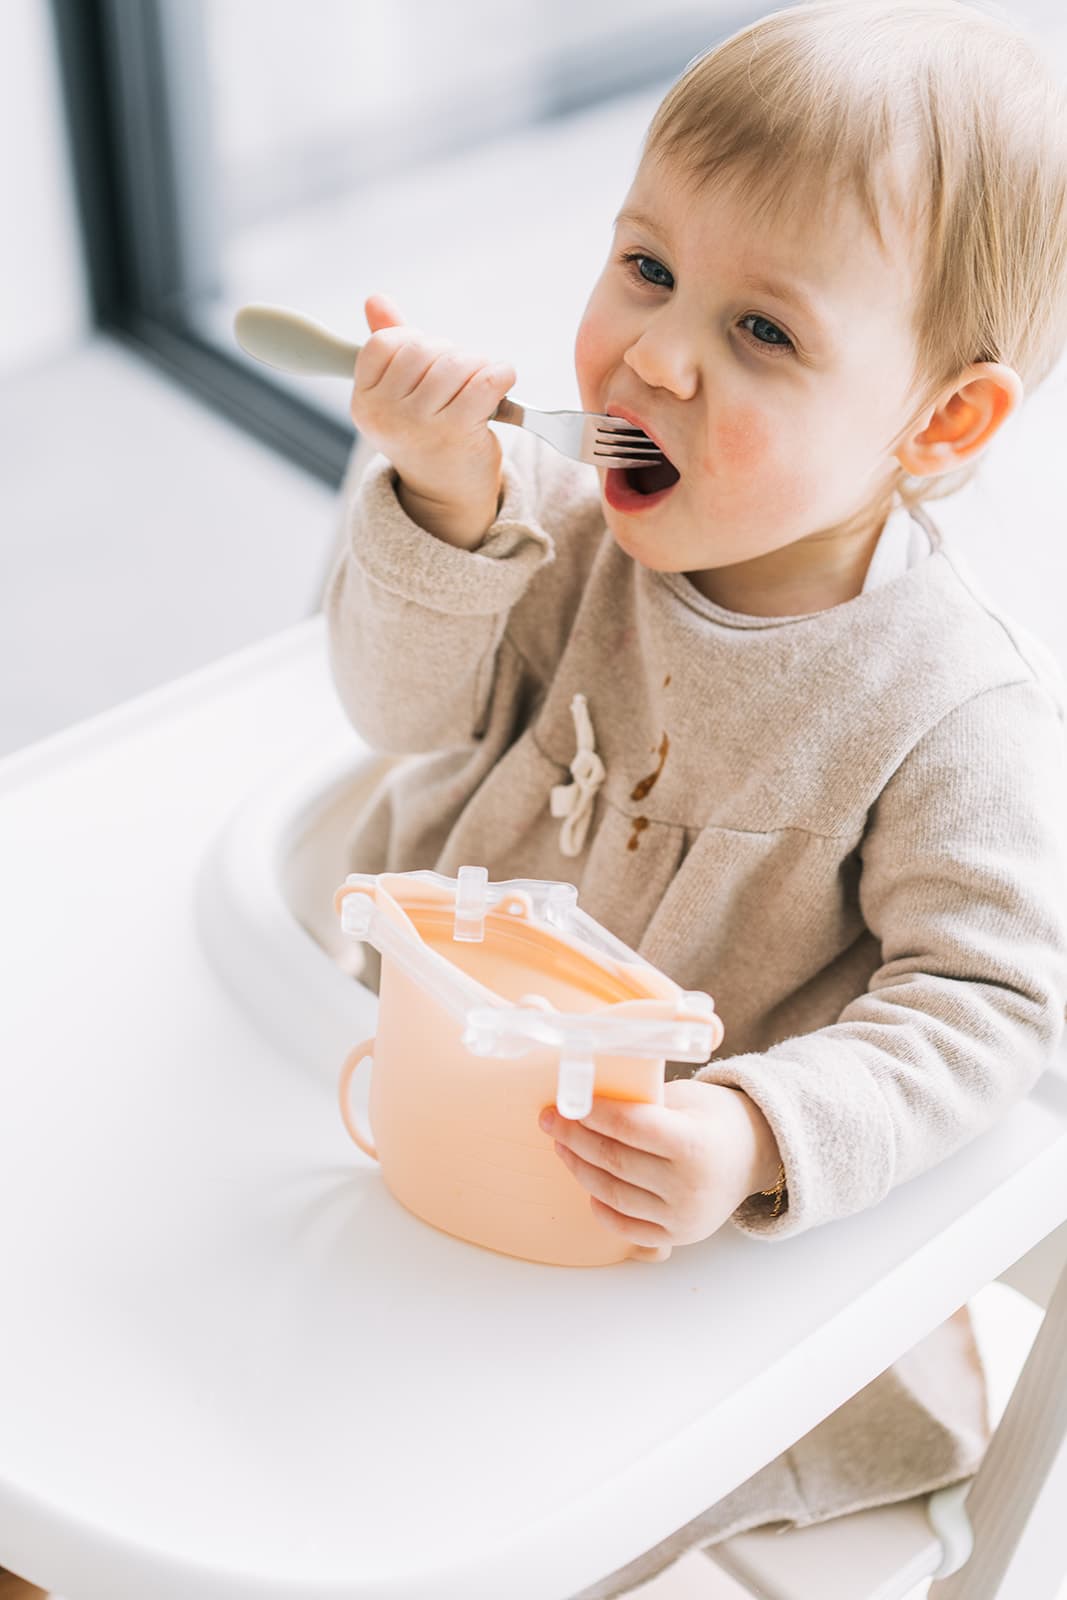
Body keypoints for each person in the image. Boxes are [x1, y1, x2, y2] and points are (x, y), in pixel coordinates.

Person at [325, 0, 1067, 1592]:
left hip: (672, 1252)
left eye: (763, 333)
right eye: (648, 267)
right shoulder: (552, 519)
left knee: (484, 1545)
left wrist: (758, 1131)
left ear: (941, 419)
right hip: (419, 1110)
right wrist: (441, 508)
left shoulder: (947, 709)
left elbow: (993, 1007)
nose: (655, 355)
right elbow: (395, 717)